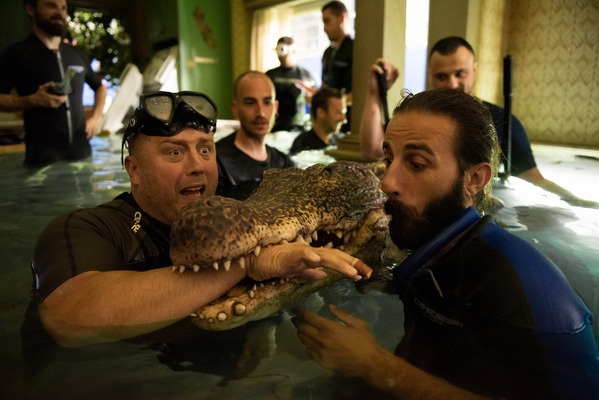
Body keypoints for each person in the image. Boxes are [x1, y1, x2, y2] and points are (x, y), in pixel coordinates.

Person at [293, 88, 599, 399]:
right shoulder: (434, 250)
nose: (387, 182)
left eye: (416, 163)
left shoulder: (517, 291)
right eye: (389, 158)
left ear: (475, 179)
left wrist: (374, 365)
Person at [25, 90, 370, 350]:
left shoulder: (245, 221)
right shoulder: (85, 229)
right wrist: (247, 262)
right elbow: (69, 318)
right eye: (174, 151)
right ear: (134, 170)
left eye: (205, 149)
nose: (197, 165)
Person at [359, 36, 597, 208]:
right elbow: (372, 152)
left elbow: (534, 179)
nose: (451, 84)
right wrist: (373, 95)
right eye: (441, 76)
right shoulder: (420, 120)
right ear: (431, 75)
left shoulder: (503, 121)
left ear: (474, 70)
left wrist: (576, 204)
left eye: (459, 74)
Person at [0, 0, 107, 167]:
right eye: (51, 5)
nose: (60, 12)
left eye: (63, 8)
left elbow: (99, 86)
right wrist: (32, 100)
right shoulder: (17, 53)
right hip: (42, 161)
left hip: (83, 158)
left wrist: (96, 117)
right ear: (31, 9)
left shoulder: (75, 53)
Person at [216, 70, 294, 200]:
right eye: (250, 103)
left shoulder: (283, 163)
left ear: (276, 107)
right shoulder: (218, 162)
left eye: (267, 102)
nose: (261, 113)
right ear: (235, 108)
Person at [265, 36, 316, 133]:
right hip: (274, 127)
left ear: (293, 50)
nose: (280, 55)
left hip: (299, 128)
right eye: (278, 50)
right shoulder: (270, 76)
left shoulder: (306, 76)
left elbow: (315, 101)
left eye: (283, 49)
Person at [321, 1, 353, 133]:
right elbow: (325, 87)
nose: (324, 28)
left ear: (342, 18)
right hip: (328, 126)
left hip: (348, 123)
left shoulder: (355, 49)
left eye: (327, 21)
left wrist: (338, 103)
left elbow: (361, 92)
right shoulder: (327, 53)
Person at [289, 86, 346, 155]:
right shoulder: (302, 145)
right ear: (321, 112)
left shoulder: (341, 141)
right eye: (338, 112)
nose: (344, 119)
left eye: (343, 113)